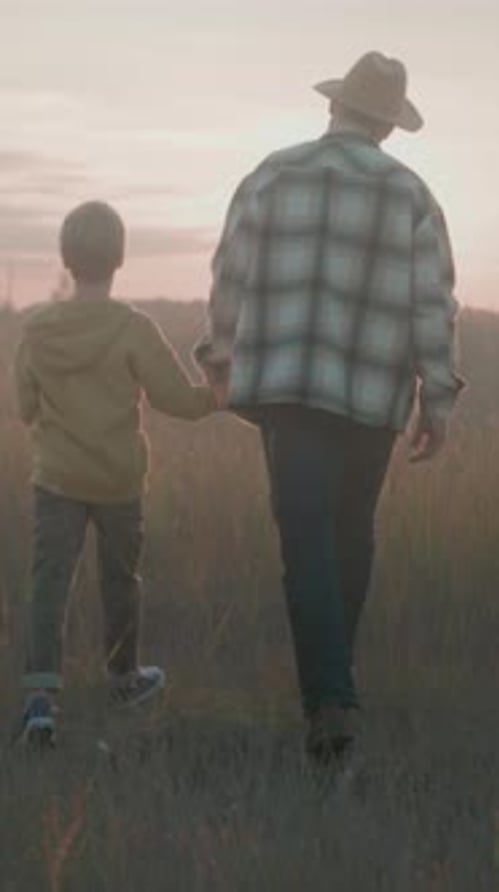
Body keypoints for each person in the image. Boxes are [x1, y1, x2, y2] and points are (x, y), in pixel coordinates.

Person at [195, 51, 464, 763]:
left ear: (334, 107)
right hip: (372, 394)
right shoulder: (411, 195)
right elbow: (433, 307)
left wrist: (220, 358)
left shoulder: (272, 174)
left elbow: (229, 273)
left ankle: (331, 701)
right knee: (350, 532)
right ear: (387, 126)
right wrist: (437, 398)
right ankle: (334, 695)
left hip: (286, 387)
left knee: (306, 537)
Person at [15, 200, 221, 747]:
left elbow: (24, 406)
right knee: (120, 580)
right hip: (118, 482)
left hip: (56, 478)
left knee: (48, 584)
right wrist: (216, 396)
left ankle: (39, 701)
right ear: (119, 259)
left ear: (65, 257)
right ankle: (124, 679)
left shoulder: (36, 330)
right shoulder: (134, 327)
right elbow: (176, 399)